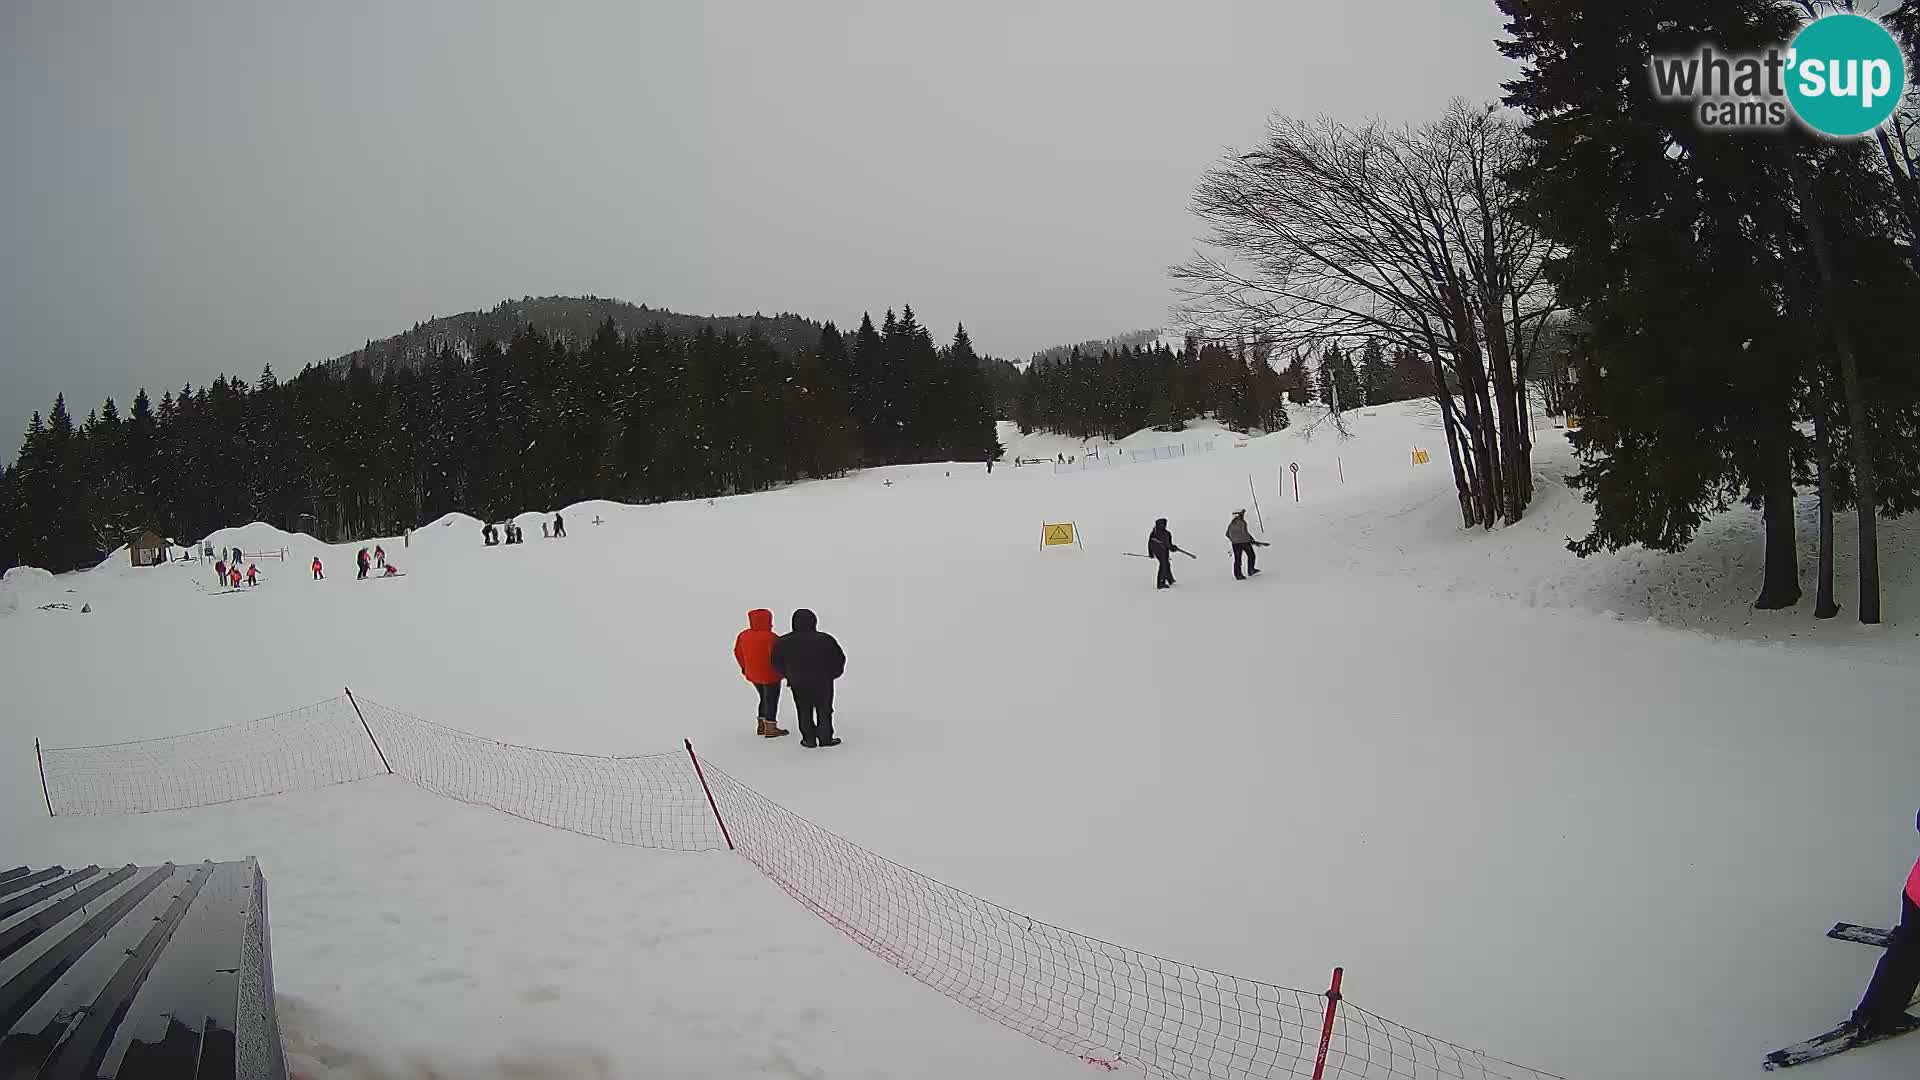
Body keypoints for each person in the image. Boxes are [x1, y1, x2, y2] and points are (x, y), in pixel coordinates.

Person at [1847, 809, 1920, 1040]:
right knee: (1908, 954)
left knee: (1907, 950)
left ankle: (1876, 1015)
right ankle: (1878, 1018)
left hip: (1916, 891)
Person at [770, 609, 845, 748]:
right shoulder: (825, 639)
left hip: (798, 682)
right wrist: (832, 674)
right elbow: (838, 659)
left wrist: (788, 675)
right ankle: (825, 738)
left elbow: (776, 662)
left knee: (803, 710)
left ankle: (808, 739)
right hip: (822, 681)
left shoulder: (783, 641)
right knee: (824, 709)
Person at [733, 609, 789, 739]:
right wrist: (784, 672)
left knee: (763, 697)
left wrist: (744, 667)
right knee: (771, 699)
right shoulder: (771, 637)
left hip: (752, 674)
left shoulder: (743, 635)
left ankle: (761, 724)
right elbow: (776, 657)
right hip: (770, 675)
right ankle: (770, 727)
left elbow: (738, 652)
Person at [1225, 510, 1270, 580]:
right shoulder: (1242, 522)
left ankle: (1238, 574)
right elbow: (1245, 533)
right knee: (1251, 555)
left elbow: (1227, 534)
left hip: (1236, 544)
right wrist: (1251, 540)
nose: (1243, 515)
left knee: (1238, 559)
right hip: (1244, 542)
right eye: (1243, 514)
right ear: (1240, 515)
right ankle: (1250, 570)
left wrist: (1233, 540)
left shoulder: (1232, 524)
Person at [1148, 518, 1184, 590]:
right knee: (1163, 565)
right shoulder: (1154, 533)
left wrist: (1173, 548)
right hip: (1158, 551)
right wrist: (1151, 553)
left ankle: (1170, 579)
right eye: (1160, 524)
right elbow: (1149, 543)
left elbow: (1169, 544)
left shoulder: (1167, 533)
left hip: (1165, 551)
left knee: (1166, 564)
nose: (1162, 525)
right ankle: (1160, 583)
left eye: (1163, 524)